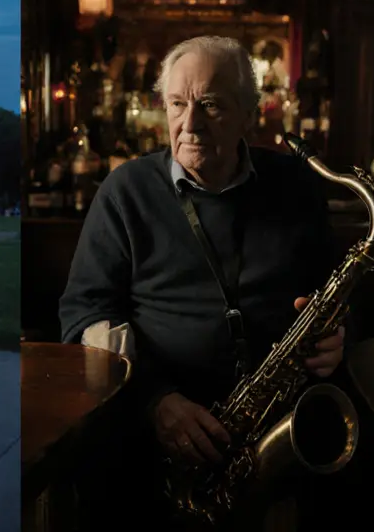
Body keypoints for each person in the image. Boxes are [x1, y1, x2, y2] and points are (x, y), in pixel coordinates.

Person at [58, 36, 347, 529]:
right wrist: (153, 401)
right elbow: (86, 314)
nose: (189, 125)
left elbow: (335, 293)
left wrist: (338, 338)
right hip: (156, 433)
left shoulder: (298, 184)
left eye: (210, 105)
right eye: (177, 104)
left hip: (273, 422)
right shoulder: (124, 191)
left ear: (249, 114)